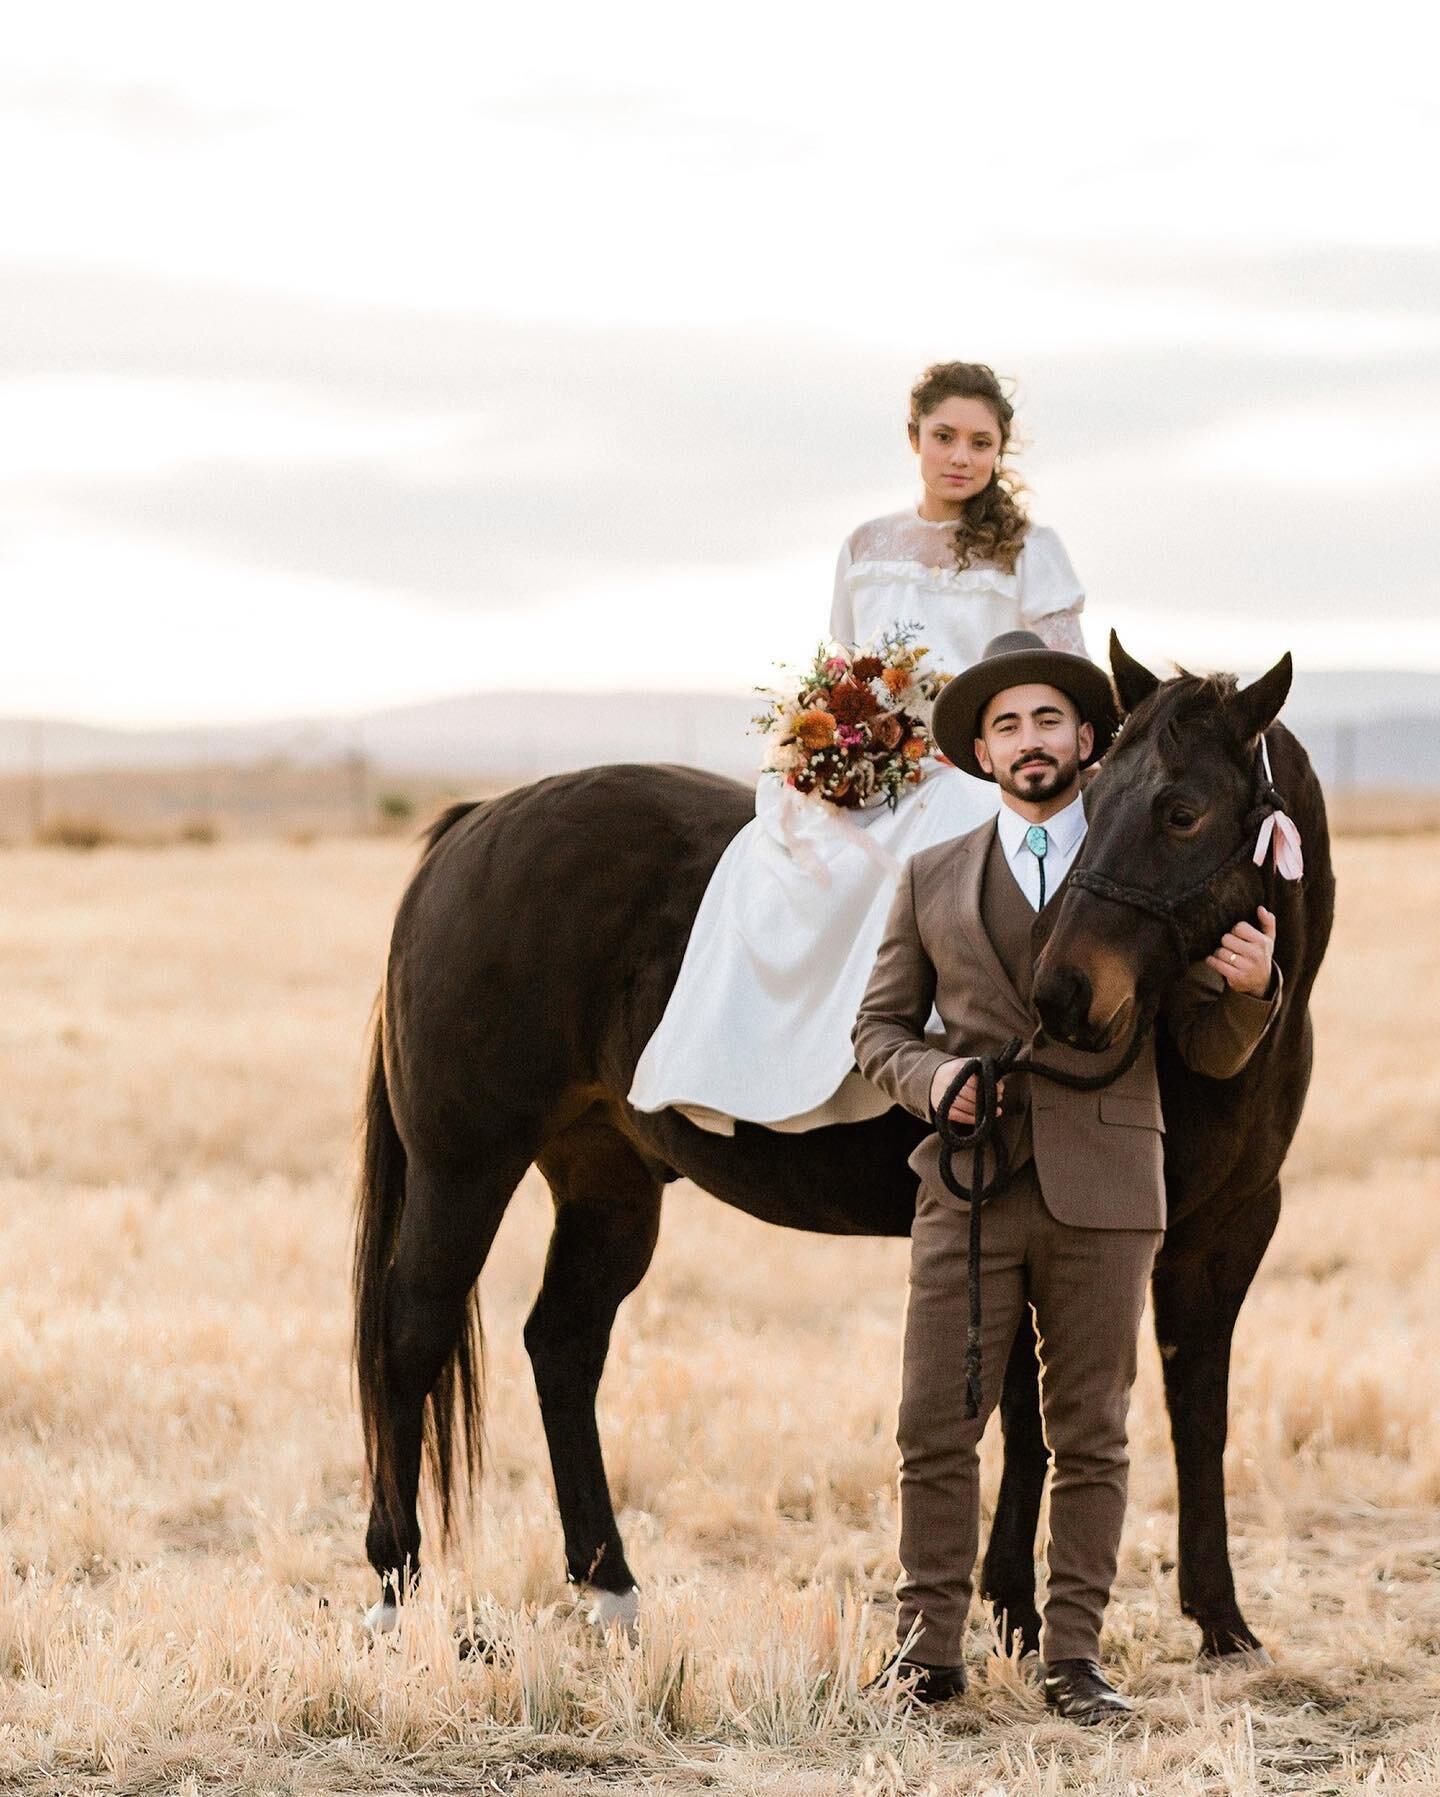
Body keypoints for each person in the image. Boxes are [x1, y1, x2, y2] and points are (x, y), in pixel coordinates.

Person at [853, 631, 1283, 1724]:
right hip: (971, 1183)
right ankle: (927, 1653)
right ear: (981, 755)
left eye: (1049, 720)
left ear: (1089, 742)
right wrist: (932, 1077)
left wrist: (1252, 987)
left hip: (1107, 1187)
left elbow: (1209, 1046)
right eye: (1006, 725)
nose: (1029, 741)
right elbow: (877, 1029)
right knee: (932, 1425)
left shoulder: (1146, 859)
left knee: (1090, 1434)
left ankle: (1074, 1661)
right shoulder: (930, 877)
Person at [628, 362, 1091, 1134]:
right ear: (914, 437)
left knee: (962, 817)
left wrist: (989, 749)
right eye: (944, 436)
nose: (961, 457)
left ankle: (954, 1044)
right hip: (877, 761)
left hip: (977, 760)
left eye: (981, 442)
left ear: (1000, 452)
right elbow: (850, 662)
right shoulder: (866, 544)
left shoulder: (1030, 548)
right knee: (763, 851)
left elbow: (1063, 672)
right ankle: (757, 1058)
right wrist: (844, 746)